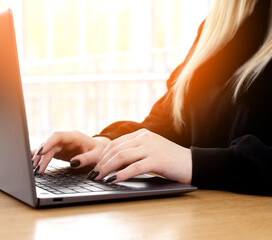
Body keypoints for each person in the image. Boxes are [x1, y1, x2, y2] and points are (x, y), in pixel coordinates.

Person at [32, 0, 272, 195]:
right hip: (200, 217)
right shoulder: (217, 27)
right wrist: (106, 145)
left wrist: (193, 162)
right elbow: (170, 122)